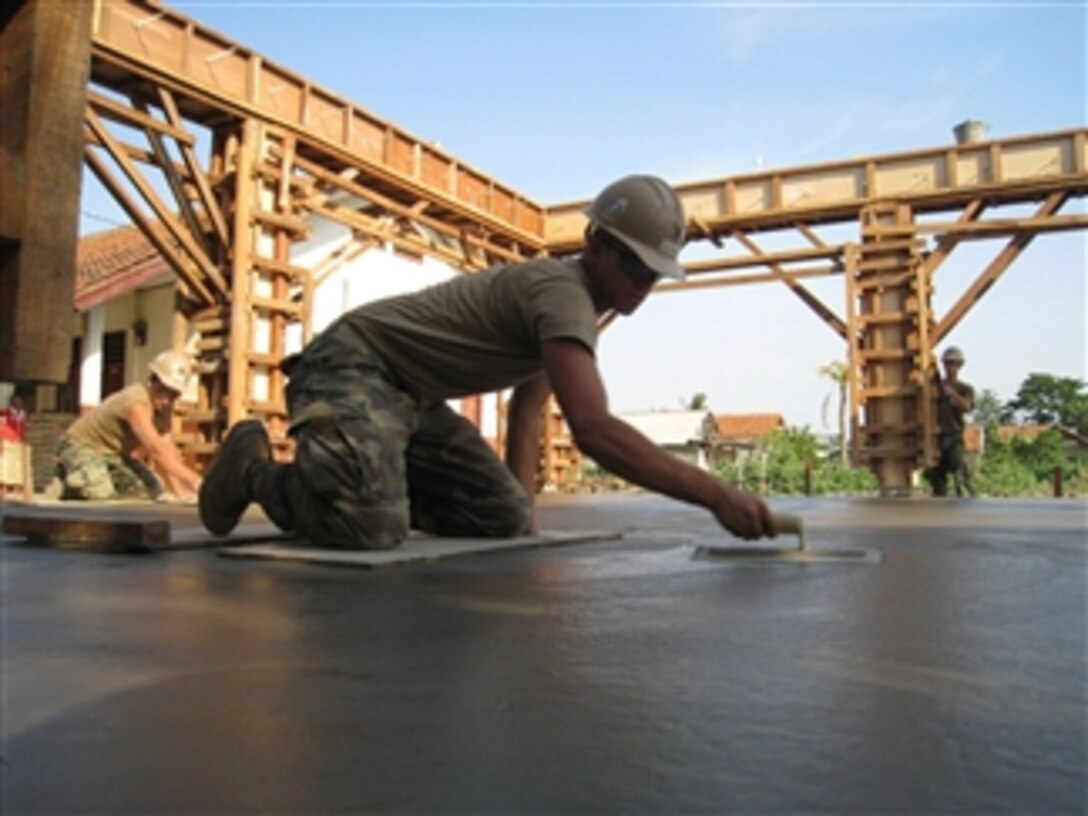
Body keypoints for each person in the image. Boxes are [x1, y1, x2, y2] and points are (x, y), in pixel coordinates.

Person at [199, 174, 778, 548]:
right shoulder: (563, 295)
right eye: (632, 266)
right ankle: (256, 472)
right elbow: (593, 429)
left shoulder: (573, 307)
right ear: (594, 246)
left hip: (409, 396)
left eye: (653, 273)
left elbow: (530, 406)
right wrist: (716, 495)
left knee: (499, 516)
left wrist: (523, 519)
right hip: (353, 364)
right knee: (372, 527)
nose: (642, 285)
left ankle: (369, 487)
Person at [54, 350, 203, 502]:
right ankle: (66, 481)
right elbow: (156, 450)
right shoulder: (135, 403)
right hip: (80, 447)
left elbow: (167, 449)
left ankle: (91, 478)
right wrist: (196, 481)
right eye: (163, 391)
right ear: (151, 381)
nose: (166, 400)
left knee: (152, 490)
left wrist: (179, 492)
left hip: (114, 455)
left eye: (173, 395)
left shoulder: (164, 407)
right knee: (99, 495)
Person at [926, 346, 975, 497]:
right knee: (937, 480)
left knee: (960, 475)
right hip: (935, 437)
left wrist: (952, 394)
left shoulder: (965, 389)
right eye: (948, 364)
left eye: (954, 364)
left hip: (953, 436)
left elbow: (967, 407)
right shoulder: (935, 387)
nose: (950, 367)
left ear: (959, 366)